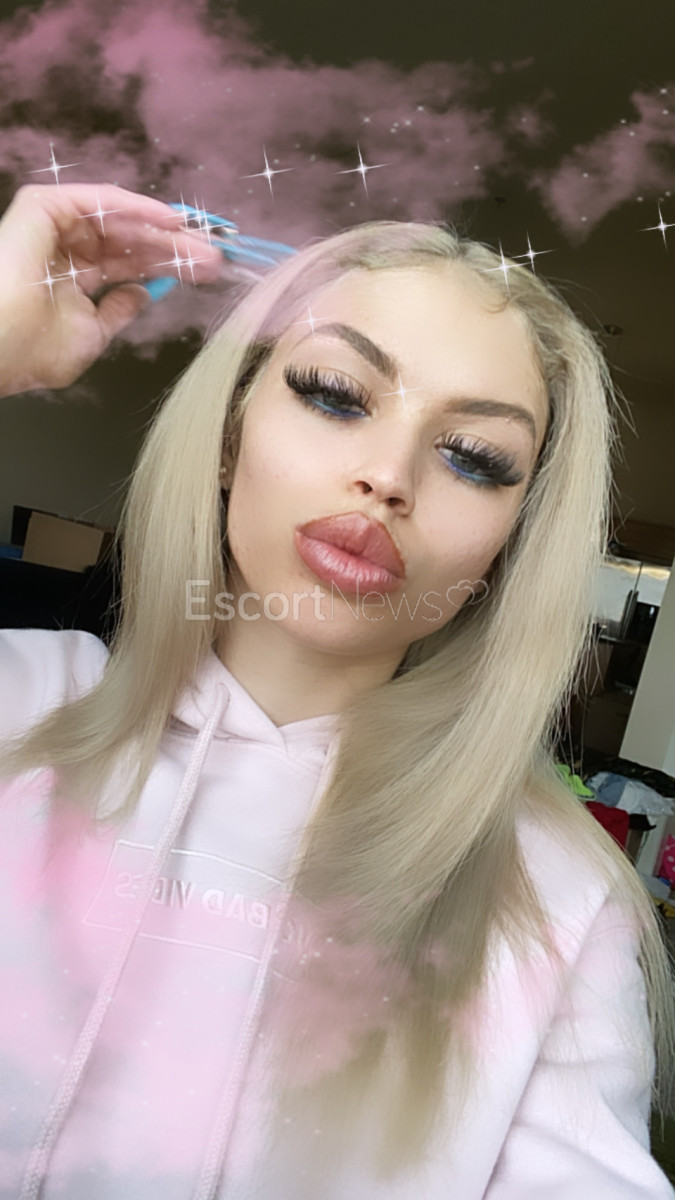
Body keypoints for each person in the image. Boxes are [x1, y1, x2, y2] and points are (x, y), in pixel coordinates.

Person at [0, 182, 673, 1200]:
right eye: (334, 394)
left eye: (475, 458)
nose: (388, 475)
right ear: (229, 437)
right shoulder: (20, 705)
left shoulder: (557, 900)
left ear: (506, 551)